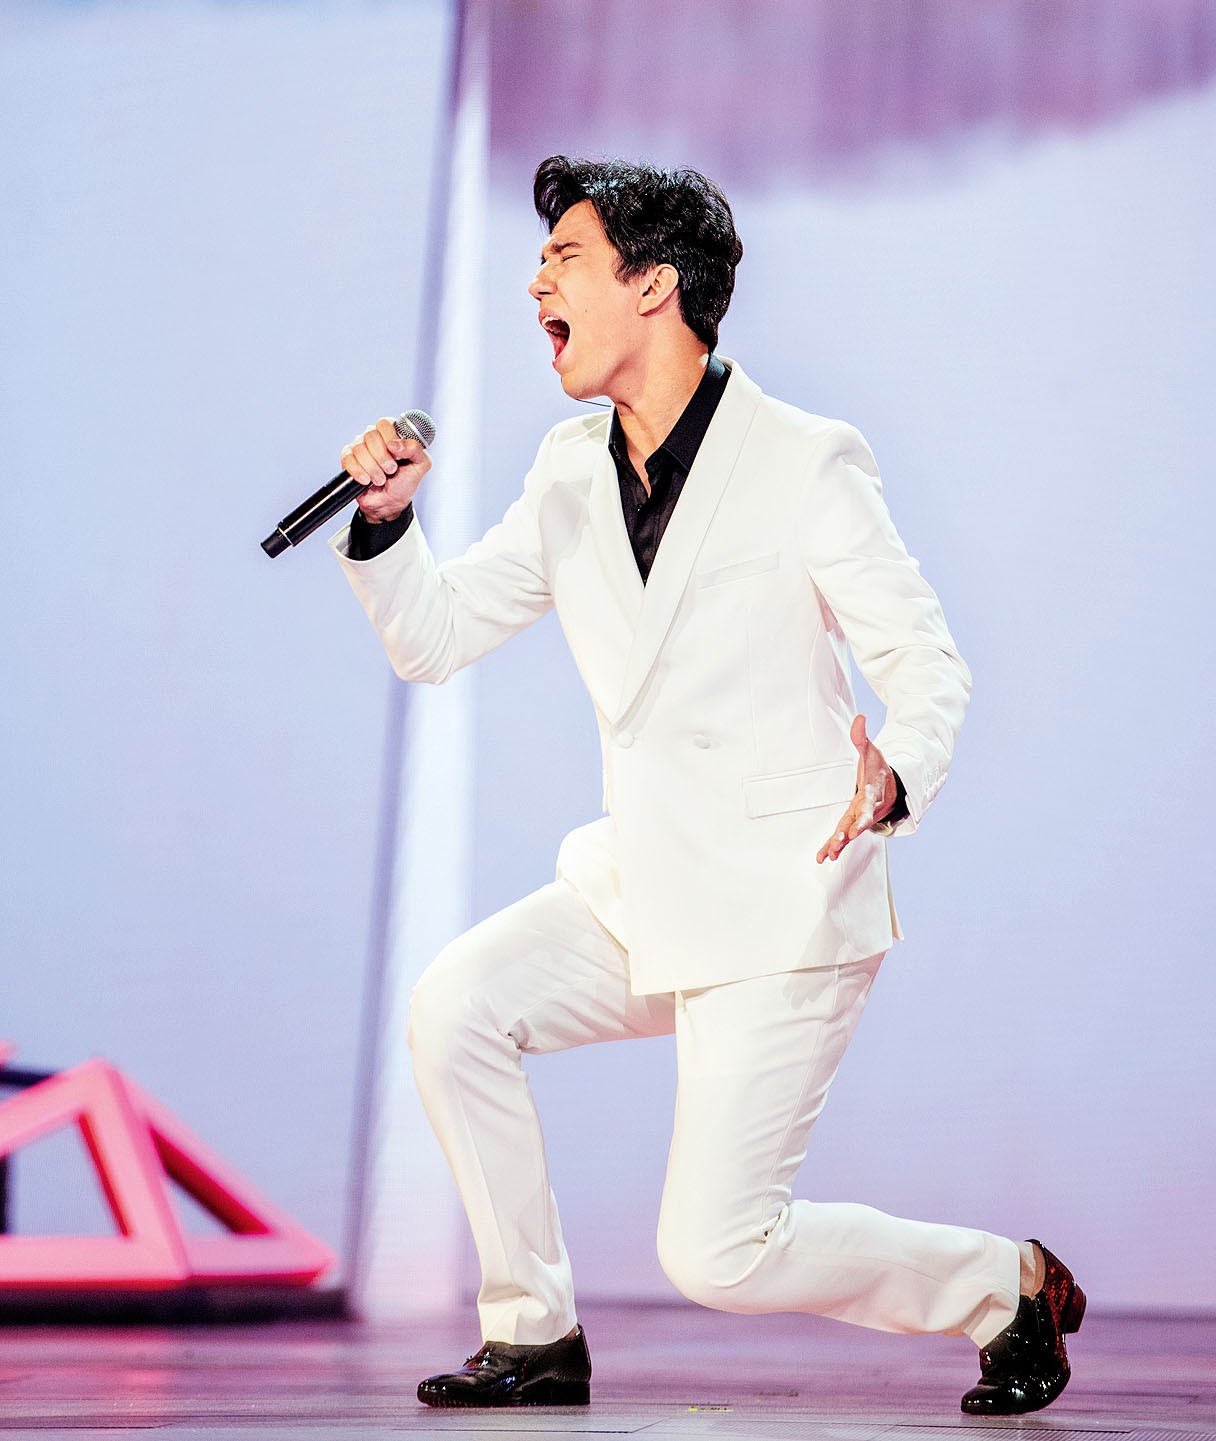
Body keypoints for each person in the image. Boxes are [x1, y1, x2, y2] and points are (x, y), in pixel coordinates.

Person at [331, 156, 1084, 1416]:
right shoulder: (567, 470)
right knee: (455, 1006)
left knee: (719, 1253)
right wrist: (386, 521)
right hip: (641, 888)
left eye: (563, 258)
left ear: (653, 285)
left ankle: (1002, 1286)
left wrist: (896, 770)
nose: (535, 285)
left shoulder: (802, 459)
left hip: (783, 899)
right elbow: (436, 635)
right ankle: (532, 1332)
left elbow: (924, 661)